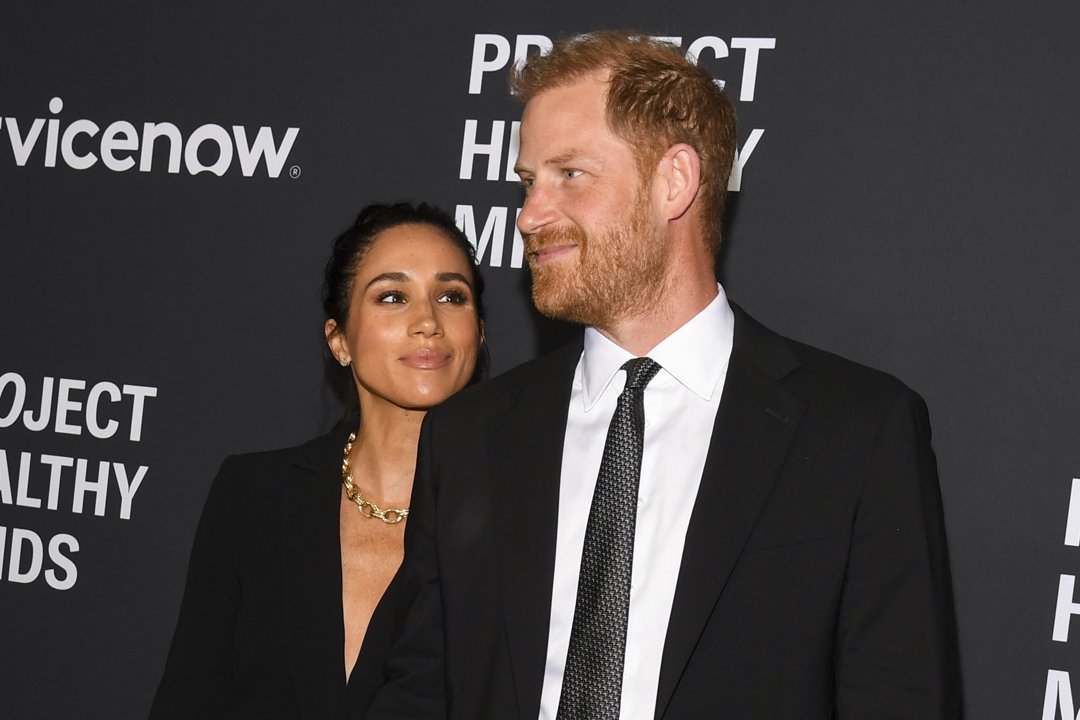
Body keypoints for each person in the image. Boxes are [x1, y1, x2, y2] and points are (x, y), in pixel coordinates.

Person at [368, 31, 960, 719]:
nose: (529, 216)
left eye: (570, 175)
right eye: (529, 183)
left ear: (674, 181)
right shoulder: (470, 436)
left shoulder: (856, 432)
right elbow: (420, 690)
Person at [149, 202, 485, 719]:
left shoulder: (516, 522)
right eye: (392, 297)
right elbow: (188, 696)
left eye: (451, 297)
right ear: (340, 340)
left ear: (478, 334)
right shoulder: (254, 494)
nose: (427, 322)